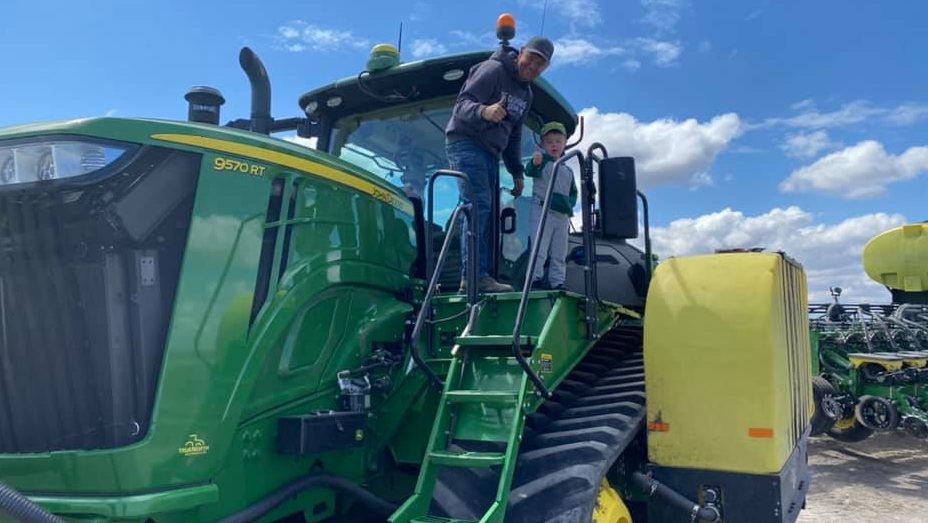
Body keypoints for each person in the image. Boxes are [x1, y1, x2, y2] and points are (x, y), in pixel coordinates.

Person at [445, 36, 554, 293]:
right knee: (478, 204)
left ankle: (480, 274)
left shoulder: (526, 94)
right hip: (466, 142)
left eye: (542, 64)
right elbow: (461, 105)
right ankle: (472, 277)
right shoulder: (493, 69)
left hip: (491, 153)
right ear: (521, 52)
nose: (534, 66)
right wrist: (484, 111)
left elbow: (514, 135)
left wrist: (517, 171)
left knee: (488, 212)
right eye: (532, 58)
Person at [525, 121, 576, 290]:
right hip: (542, 210)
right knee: (539, 248)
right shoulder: (541, 162)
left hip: (562, 216)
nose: (554, 145)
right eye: (549, 141)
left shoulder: (568, 171)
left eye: (558, 141)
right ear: (542, 144)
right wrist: (535, 162)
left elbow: (573, 193)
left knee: (559, 253)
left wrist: (569, 206)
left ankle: (557, 281)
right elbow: (530, 171)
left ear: (564, 144)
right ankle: (534, 279)